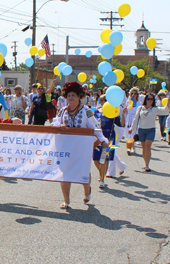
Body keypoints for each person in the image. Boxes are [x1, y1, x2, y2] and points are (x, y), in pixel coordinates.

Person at [52, 81, 109, 209]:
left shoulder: (86, 111)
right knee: (64, 173)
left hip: (81, 148)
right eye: (68, 95)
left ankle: (87, 190)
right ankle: (66, 200)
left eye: (73, 95)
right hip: (65, 147)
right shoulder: (62, 111)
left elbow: (95, 127)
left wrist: (103, 140)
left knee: (83, 172)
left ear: (79, 97)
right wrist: (58, 126)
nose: (70, 98)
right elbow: (54, 124)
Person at [130, 93, 170, 172]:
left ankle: (147, 165)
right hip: (142, 129)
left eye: (151, 99)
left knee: (147, 146)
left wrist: (168, 102)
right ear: (146, 99)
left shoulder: (155, 109)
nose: (150, 101)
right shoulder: (140, 108)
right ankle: (145, 163)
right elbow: (136, 119)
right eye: (148, 99)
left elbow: (165, 110)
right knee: (143, 148)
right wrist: (132, 129)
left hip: (151, 130)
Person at [93, 94, 125, 188]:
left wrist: (123, 114)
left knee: (105, 159)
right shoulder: (96, 111)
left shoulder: (112, 112)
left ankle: (102, 180)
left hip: (109, 138)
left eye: (106, 100)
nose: (104, 102)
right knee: (95, 159)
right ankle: (101, 173)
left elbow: (121, 124)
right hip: (97, 137)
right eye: (102, 100)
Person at [125, 88, 142, 155]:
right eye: (132, 93)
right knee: (128, 133)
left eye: (135, 93)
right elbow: (126, 110)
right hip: (129, 118)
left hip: (135, 119)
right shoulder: (128, 102)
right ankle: (129, 148)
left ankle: (133, 148)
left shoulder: (139, 103)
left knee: (133, 134)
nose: (133, 95)